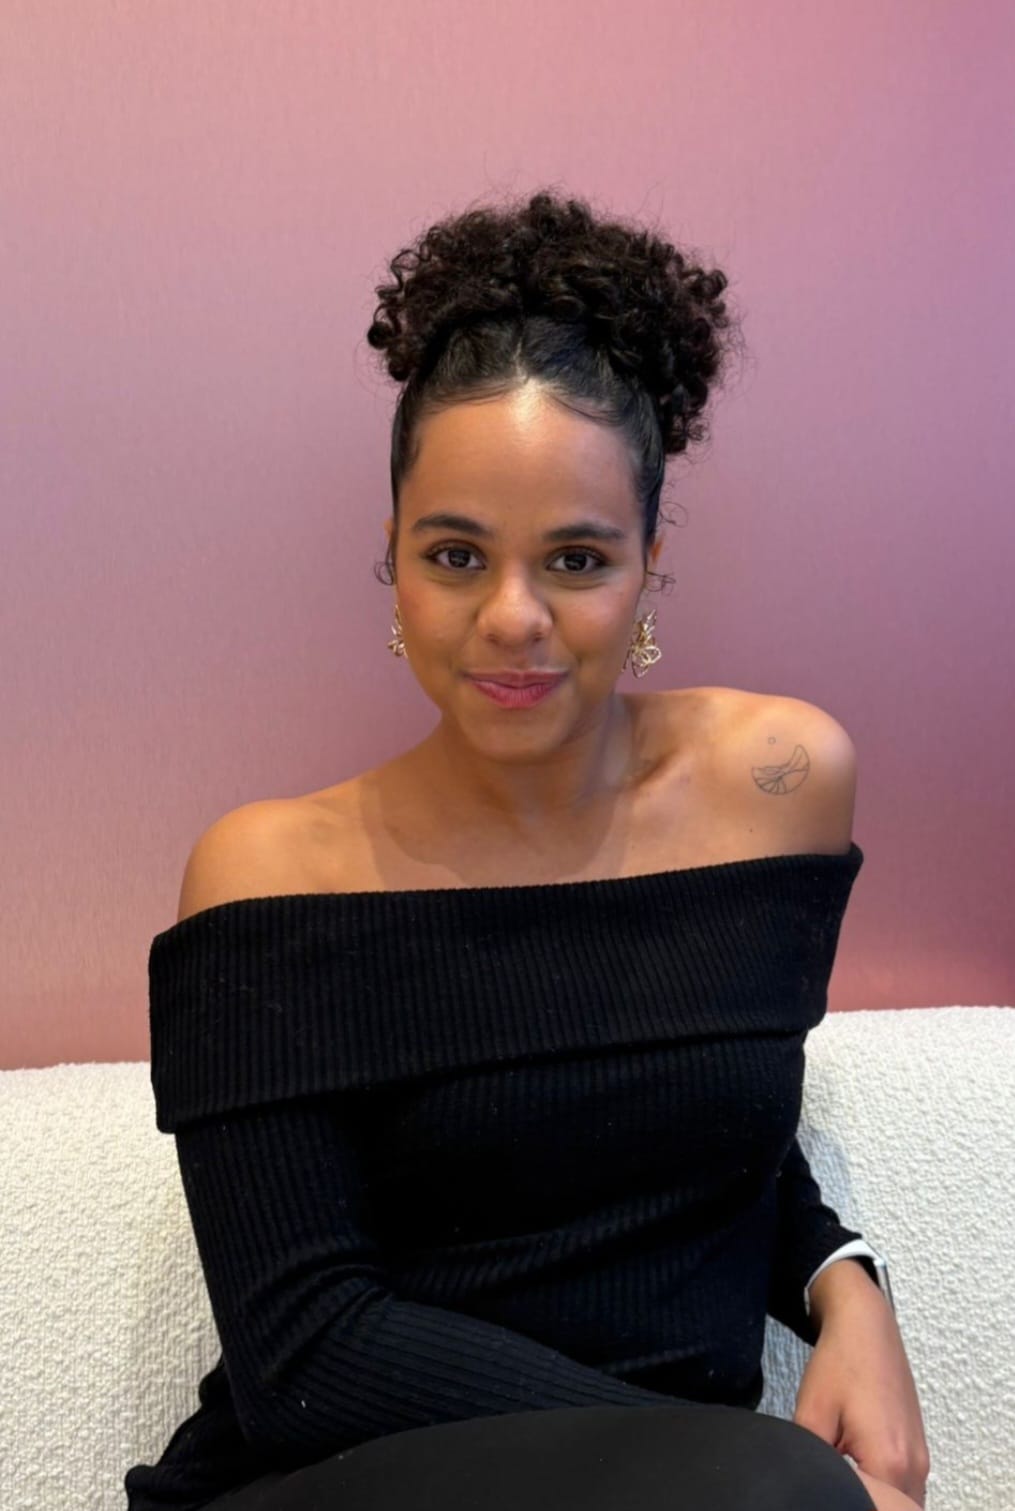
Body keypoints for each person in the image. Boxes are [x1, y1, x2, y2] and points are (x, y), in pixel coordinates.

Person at [124, 188, 930, 1511]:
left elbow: (702, 1109)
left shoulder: (776, 785)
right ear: (392, 561)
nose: (513, 617)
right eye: (456, 555)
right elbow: (305, 1354)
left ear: (649, 562)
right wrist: (752, 1476)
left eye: (575, 559)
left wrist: (847, 1284)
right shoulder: (270, 875)